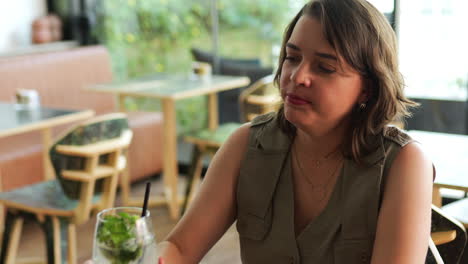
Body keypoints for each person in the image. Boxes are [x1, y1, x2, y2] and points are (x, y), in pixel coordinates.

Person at [159, 0, 433, 263]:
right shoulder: (246, 146)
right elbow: (181, 249)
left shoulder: (404, 164)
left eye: (325, 67)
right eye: (292, 57)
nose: (296, 76)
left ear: (368, 87)